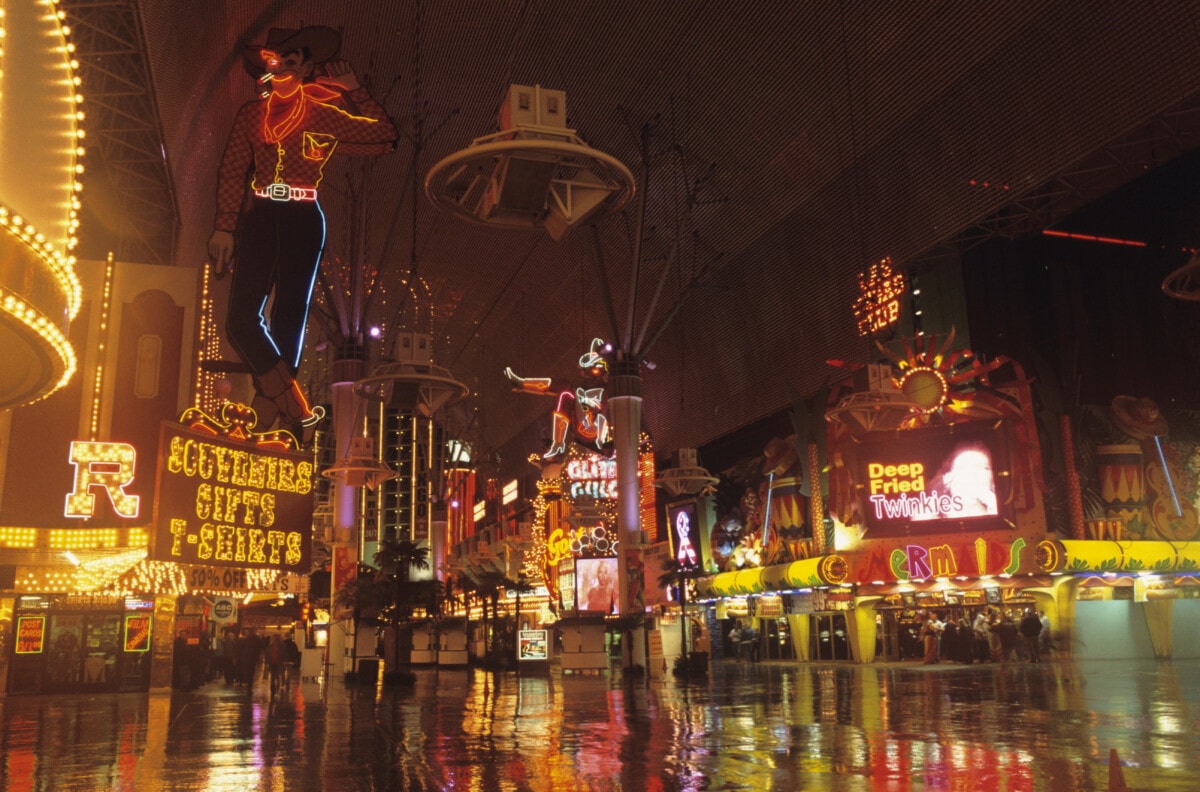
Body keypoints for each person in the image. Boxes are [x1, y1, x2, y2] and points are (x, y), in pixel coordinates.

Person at [208, 25, 398, 440]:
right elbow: (232, 171)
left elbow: (383, 136)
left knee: (289, 317)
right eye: (273, 61)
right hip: (260, 214)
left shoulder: (322, 113)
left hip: (303, 217)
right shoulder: (250, 115)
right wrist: (224, 226)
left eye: (289, 61)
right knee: (241, 319)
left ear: (306, 67)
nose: (279, 68)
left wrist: (354, 89)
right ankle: (292, 403)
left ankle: (265, 410)